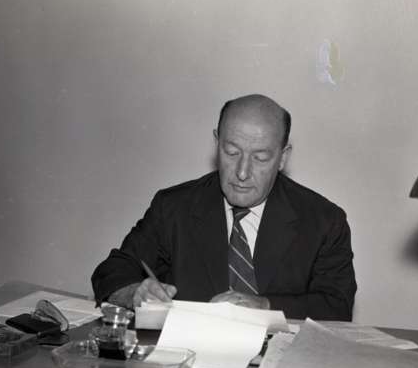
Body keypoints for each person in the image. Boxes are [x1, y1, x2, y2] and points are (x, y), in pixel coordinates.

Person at [91, 94, 356, 320]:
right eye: (231, 152)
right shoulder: (174, 207)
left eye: (260, 158)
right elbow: (111, 272)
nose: (242, 172)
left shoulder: (324, 221)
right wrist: (134, 293)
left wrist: (265, 307)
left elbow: (337, 307)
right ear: (216, 143)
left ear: (283, 157)